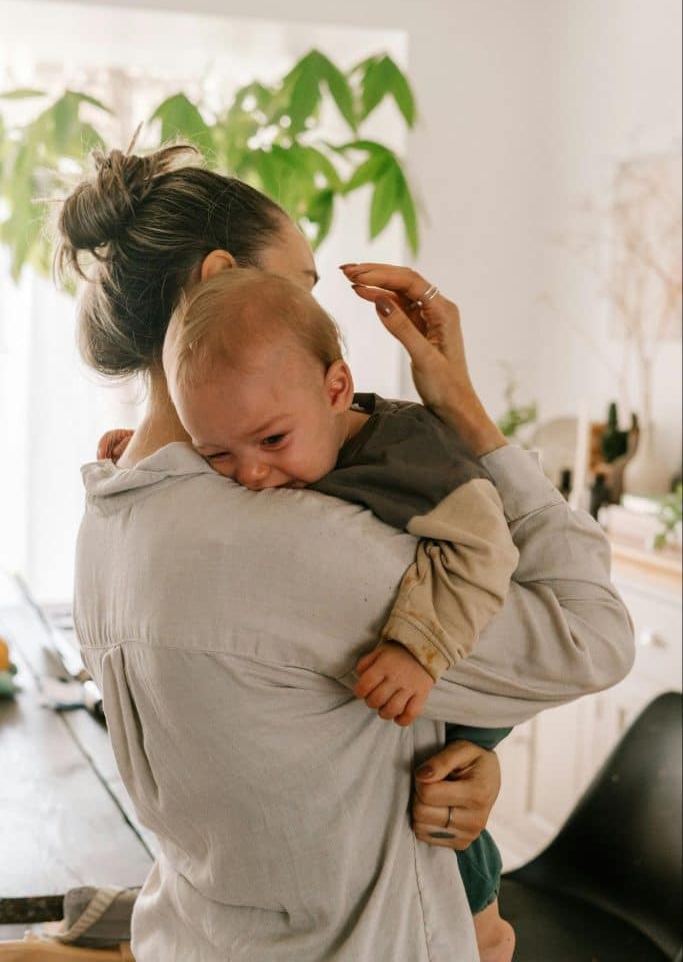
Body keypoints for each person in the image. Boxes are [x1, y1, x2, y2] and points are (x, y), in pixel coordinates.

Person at [58, 143, 634, 962]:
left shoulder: (107, 516)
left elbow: (285, 741)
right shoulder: (279, 542)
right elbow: (593, 635)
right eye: (299, 290)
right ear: (216, 279)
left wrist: (455, 750)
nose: (317, 325)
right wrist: (470, 416)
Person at [161, 267, 520, 958]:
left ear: (336, 389)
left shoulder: (413, 458)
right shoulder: (280, 433)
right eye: (217, 454)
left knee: (464, 885)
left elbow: (487, 551)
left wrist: (419, 647)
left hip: (466, 681)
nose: (252, 474)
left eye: (271, 442)